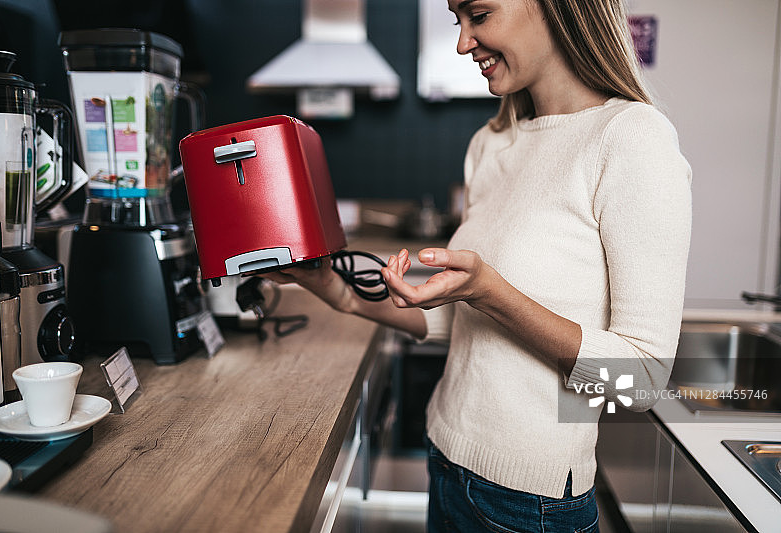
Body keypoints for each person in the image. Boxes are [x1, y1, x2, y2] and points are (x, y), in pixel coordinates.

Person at [262, 0, 692, 531]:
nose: (463, 43)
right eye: (457, 22)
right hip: (446, 460)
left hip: (531, 503)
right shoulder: (489, 145)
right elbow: (463, 323)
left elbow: (640, 379)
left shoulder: (632, 139)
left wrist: (491, 292)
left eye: (480, 15)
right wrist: (336, 291)